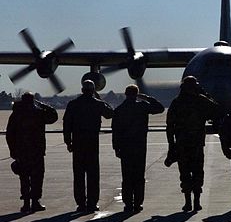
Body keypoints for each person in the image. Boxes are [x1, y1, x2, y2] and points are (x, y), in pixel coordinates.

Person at [166, 76, 219, 212]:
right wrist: (204, 93)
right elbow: (216, 109)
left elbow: (169, 126)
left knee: (184, 173)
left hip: (182, 144)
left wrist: (171, 145)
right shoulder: (201, 100)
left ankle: (188, 202)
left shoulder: (177, 102)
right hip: (196, 144)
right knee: (197, 172)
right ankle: (196, 202)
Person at [63, 80, 114, 212]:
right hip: (92, 143)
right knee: (93, 175)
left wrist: (68, 141)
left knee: (78, 175)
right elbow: (110, 113)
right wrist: (99, 99)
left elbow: (67, 124)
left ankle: (80, 203)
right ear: (93, 91)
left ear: (82, 90)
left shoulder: (73, 104)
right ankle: (92, 203)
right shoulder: (97, 104)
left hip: (78, 143)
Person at [112, 85, 164, 213]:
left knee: (127, 176)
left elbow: (115, 131)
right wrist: (146, 98)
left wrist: (116, 148)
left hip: (125, 147)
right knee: (139, 176)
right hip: (140, 146)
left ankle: (128, 203)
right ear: (137, 94)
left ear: (125, 94)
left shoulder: (119, 109)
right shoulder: (142, 106)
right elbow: (160, 108)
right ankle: (138, 203)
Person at [6, 92, 58, 213]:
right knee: (37, 177)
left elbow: (10, 134)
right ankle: (35, 202)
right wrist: (42, 104)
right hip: (37, 151)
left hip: (22, 152)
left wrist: (12, 150)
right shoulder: (38, 113)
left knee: (24, 177)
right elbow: (53, 116)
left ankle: (26, 203)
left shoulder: (16, 114)